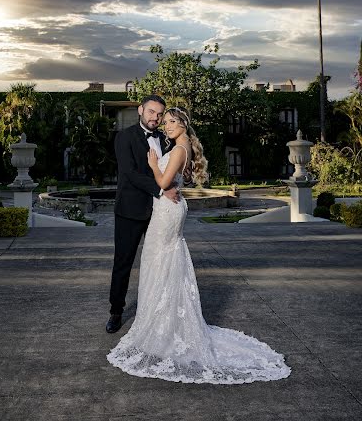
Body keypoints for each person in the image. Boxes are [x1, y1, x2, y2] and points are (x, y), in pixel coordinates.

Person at [107, 107, 291, 384]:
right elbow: (168, 178)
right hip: (164, 208)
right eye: (163, 120)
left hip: (166, 210)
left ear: (183, 124)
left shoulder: (178, 149)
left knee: (159, 263)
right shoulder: (178, 146)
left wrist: (154, 163)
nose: (165, 125)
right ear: (142, 111)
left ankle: (162, 327)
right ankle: (143, 317)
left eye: (170, 121)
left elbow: (163, 181)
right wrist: (161, 174)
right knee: (162, 263)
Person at [106, 94, 180, 334]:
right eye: (151, 112)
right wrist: (163, 189)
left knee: (159, 263)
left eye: (160, 114)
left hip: (160, 213)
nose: (155, 118)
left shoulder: (165, 138)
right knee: (123, 263)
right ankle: (116, 312)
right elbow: (129, 173)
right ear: (140, 110)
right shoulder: (124, 137)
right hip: (130, 210)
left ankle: (158, 312)